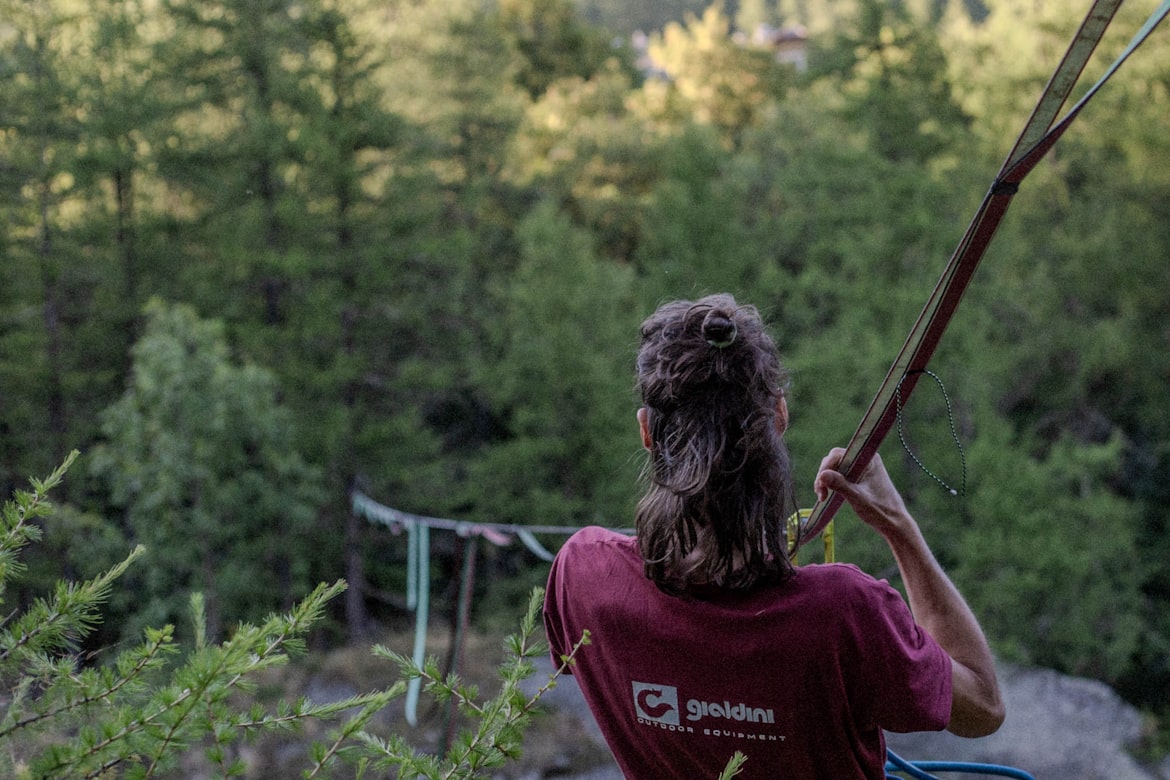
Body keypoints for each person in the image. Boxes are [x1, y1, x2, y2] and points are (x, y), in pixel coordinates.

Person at [543, 293, 1004, 779]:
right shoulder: (844, 612)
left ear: (647, 433)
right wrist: (897, 526)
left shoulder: (585, 575)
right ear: (779, 417)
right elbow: (983, 705)